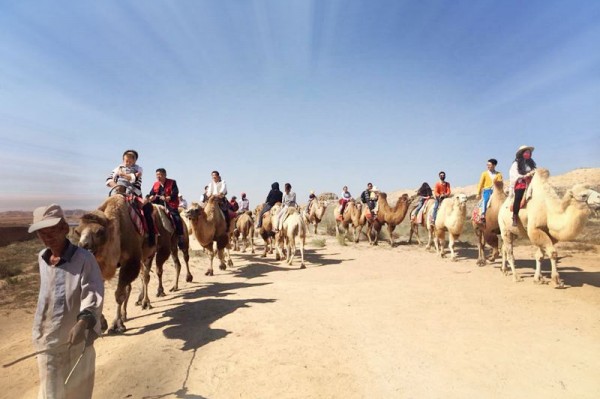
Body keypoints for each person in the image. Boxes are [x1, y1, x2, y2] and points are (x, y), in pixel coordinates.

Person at [29, 204, 104, 399]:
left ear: (64, 228)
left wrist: (83, 321)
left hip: (76, 341)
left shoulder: (85, 259)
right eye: (41, 232)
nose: (46, 236)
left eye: (51, 230)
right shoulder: (42, 258)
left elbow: (93, 291)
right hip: (47, 341)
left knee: (78, 393)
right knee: (50, 394)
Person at [106, 149, 155, 245]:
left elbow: (134, 178)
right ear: (123, 159)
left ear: (135, 160)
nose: (128, 162)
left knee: (147, 209)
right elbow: (108, 179)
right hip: (118, 192)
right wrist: (116, 186)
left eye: (131, 160)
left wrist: (122, 174)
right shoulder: (117, 168)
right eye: (126, 160)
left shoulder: (138, 168)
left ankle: (150, 237)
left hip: (134, 193)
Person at [147, 168, 185, 249]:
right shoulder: (155, 184)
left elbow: (175, 193)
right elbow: (151, 194)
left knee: (176, 217)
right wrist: (150, 197)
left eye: (160, 175)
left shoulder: (172, 182)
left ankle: (180, 237)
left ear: (165, 175)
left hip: (170, 204)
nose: (158, 176)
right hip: (157, 204)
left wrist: (169, 197)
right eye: (157, 175)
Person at [509, 145, 537, 226]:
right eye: (526, 152)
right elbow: (514, 174)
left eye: (529, 152)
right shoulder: (516, 164)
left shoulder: (531, 164)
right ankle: (514, 217)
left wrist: (533, 174)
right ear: (522, 153)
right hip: (521, 183)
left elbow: (534, 171)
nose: (528, 154)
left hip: (531, 182)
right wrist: (525, 176)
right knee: (518, 197)